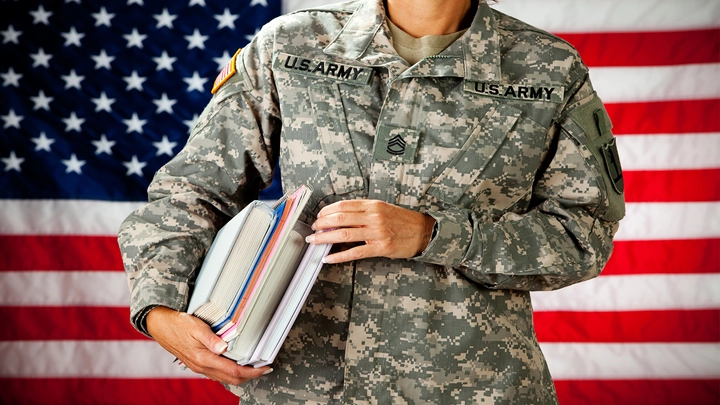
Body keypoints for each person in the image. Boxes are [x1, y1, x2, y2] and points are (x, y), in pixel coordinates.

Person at [118, 0, 625, 403]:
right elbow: (191, 191)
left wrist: (432, 234)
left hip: (474, 389)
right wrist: (160, 310)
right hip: (301, 386)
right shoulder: (291, 47)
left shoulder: (548, 70)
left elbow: (583, 235)